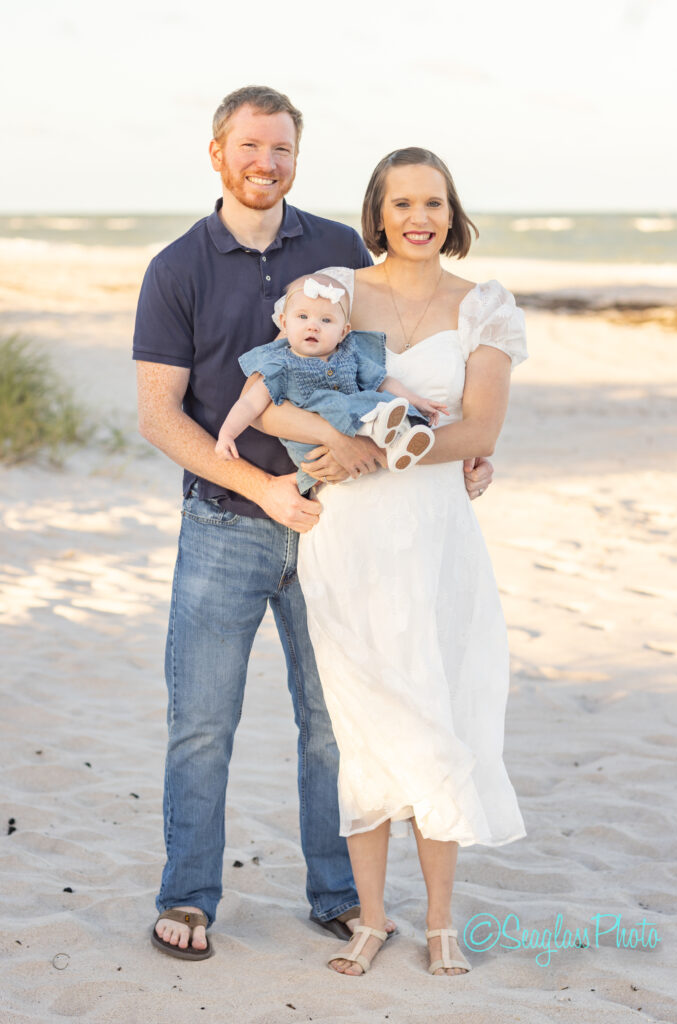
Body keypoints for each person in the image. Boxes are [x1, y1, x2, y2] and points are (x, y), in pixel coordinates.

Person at [134, 85, 495, 959]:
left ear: (297, 156)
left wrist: (466, 442)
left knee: (333, 719)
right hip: (225, 521)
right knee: (202, 721)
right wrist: (260, 491)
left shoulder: (336, 250)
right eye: (251, 147)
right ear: (217, 152)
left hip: (340, 526)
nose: (266, 164)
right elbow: (160, 415)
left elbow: (400, 363)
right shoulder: (176, 267)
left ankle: (337, 896)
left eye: (282, 150)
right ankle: (187, 899)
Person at [252, 148, 527, 976]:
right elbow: (278, 395)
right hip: (349, 539)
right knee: (360, 724)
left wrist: (390, 453)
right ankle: (372, 919)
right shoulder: (336, 292)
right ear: (377, 212)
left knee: (437, 713)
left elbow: (478, 431)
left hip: (436, 539)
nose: (419, 216)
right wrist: (335, 443)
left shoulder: (483, 306)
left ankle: (440, 921)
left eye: (434, 202)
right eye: (402, 201)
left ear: (452, 212)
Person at [216, 272, 448, 492]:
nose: (313, 325)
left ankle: (399, 444)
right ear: (284, 324)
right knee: (336, 401)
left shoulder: (349, 355)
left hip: (358, 441)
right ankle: (378, 427)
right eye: (303, 317)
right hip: (315, 452)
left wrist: (417, 401)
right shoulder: (280, 365)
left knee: (382, 398)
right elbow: (249, 404)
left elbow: (383, 381)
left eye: (326, 320)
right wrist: (227, 434)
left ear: (343, 332)